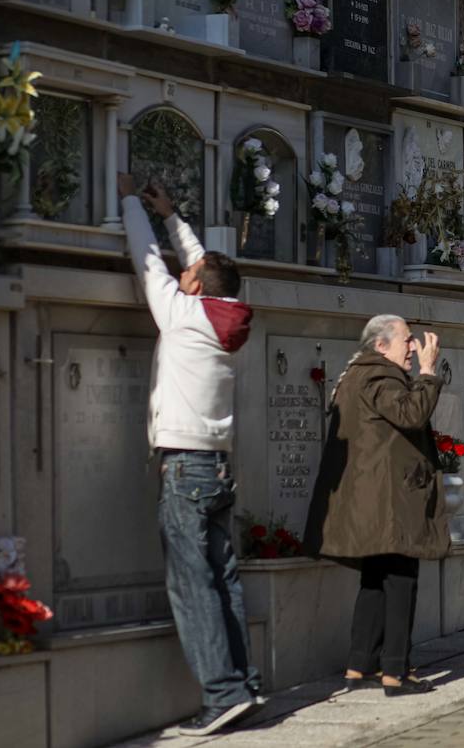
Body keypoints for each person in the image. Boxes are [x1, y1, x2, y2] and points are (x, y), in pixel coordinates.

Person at [118, 174, 260, 737]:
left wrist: (132, 200)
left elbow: (145, 260)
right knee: (224, 577)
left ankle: (222, 693)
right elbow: (204, 266)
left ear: (198, 286)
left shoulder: (181, 314)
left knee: (191, 581)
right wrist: (174, 215)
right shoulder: (227, 317)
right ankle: (244, 684)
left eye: (190, 276)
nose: (183, 274)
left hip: (185, 466)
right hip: (219, 465)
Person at [305, 315, 449, 696]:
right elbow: (410, 413)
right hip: (390, 502)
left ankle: (360, 664)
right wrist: (429, 372)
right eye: (407, 340)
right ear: (381, 346)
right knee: (401, 581)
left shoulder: (356, 376)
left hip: (375, 501)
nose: (414, 347)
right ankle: (395, 672)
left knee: (375, 581)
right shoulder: (378, 376)